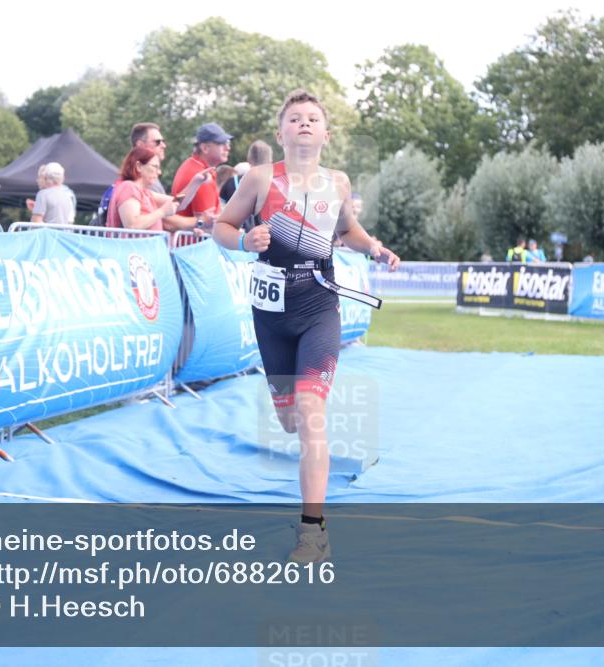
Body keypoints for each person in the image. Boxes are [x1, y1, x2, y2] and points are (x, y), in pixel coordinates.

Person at [212, 90, 399, 563]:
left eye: (313, 118)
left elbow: (347, 232)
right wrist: (244, 240)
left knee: (312, 413)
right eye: (295, 118)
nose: (304, 124)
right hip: (270, 314)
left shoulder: (337, 183)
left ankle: (312, 532)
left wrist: (374, 247)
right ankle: (293, 422)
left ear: (325, 133)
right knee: (290, 419)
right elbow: (222, 226)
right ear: (281, 133)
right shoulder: (257, 178)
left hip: (319, 305)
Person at [106, 147, 211, 230]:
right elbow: (133, 225)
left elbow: (179, 203)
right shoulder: (128, 187)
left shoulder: (146, 193)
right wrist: (162, 211)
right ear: (138, 166)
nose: (159, 172)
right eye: (155, 166)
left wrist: (196, 181)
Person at [172, 122, 233, 230]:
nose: (227, 148)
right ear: (205, 148)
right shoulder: (201, 176)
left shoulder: (194, 166)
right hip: (194, 245)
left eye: (227, 143)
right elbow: (209, 224)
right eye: (222, 143)